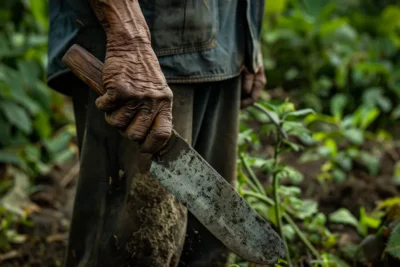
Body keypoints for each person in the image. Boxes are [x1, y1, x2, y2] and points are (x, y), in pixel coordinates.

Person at [47, 0, 266, 266]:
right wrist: (130, 40)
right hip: (144, 52)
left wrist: (248, 35)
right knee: (138, 246)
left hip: (225, 46)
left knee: (206, 251)